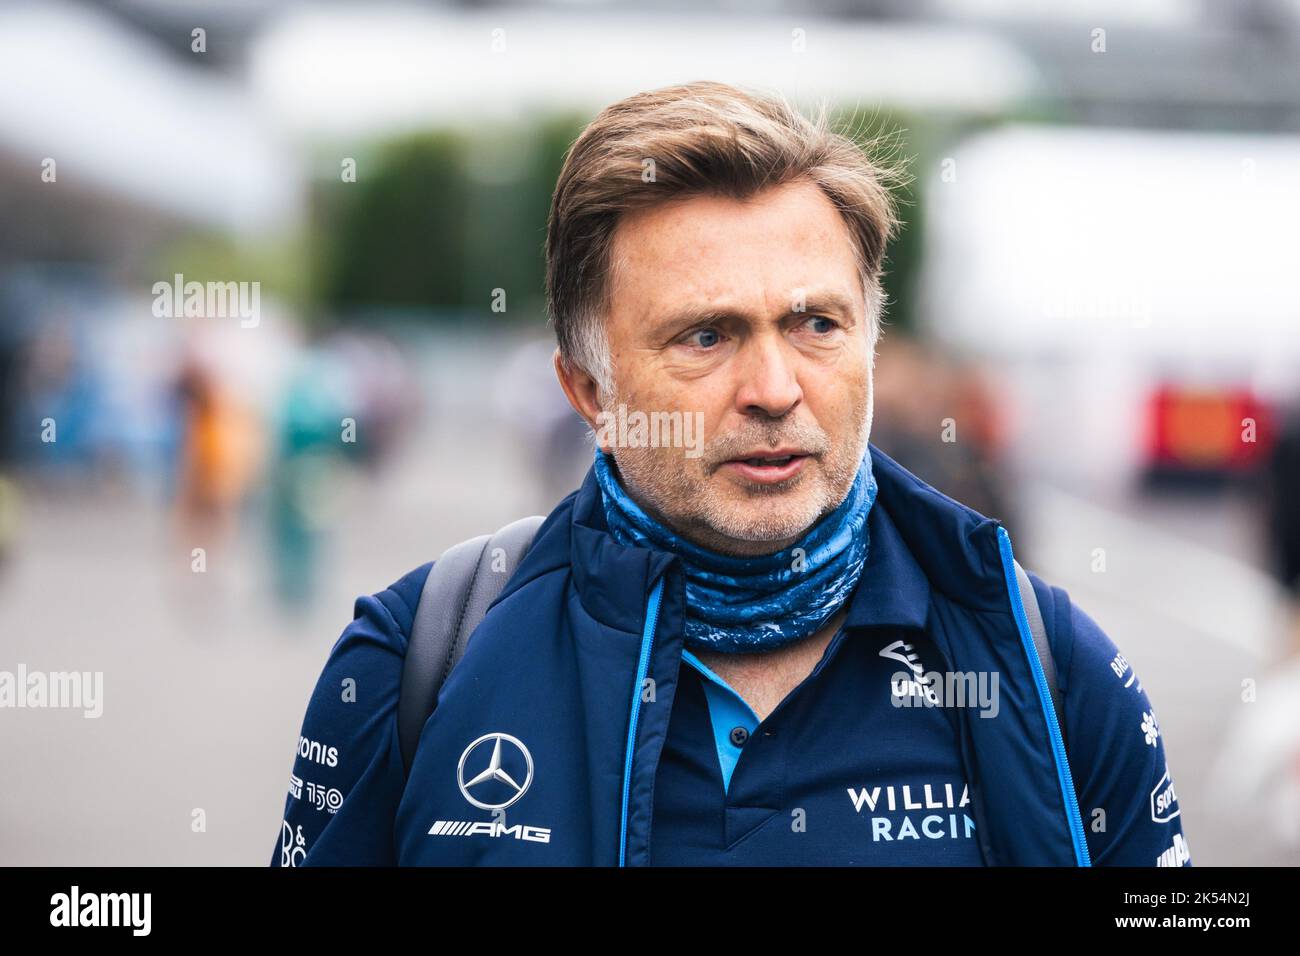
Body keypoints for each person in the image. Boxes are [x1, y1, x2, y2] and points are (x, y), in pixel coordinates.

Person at [272, 81, 1189, 867]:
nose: (775, 390)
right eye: (705, 336)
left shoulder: (1051, 667)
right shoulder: (419, 663)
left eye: (816, 326)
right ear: (588, 390)